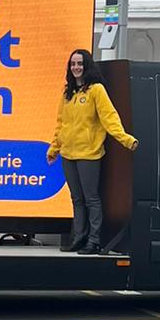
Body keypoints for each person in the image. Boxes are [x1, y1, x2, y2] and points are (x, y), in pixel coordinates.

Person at [46, 48, 137, 253]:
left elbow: (109, 117)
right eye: (73, 64)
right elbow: (61, 123)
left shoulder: (96, 90)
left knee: (91, 198)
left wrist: (126, 139)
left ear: (87, 66)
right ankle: (79, 237)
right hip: (68, 154)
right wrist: (54, 149)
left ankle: (93, 240)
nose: (76, 67)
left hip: (89, 153)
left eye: (79, 64)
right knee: (76, 199)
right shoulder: (68, 93)